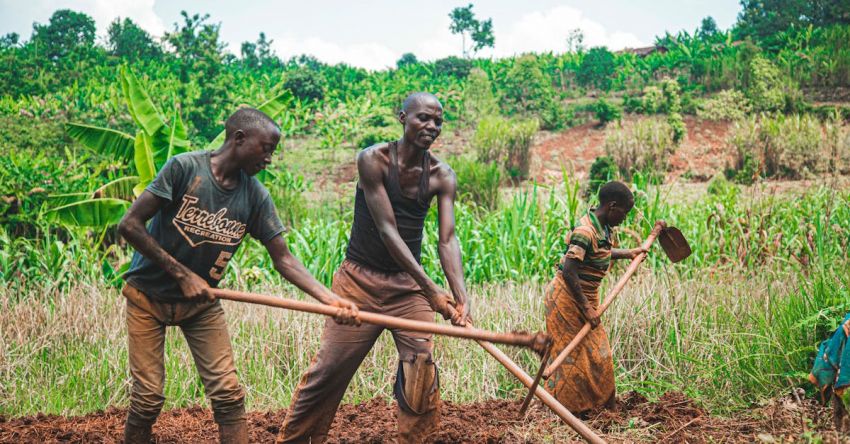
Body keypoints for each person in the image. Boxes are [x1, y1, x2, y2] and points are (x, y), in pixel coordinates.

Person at [117, 107, 359, 444]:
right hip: (147, 298)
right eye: (267, 148)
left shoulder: (255, 196)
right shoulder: (184, 168)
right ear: (240, 139)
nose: (269, 159)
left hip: (201, 305)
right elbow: (129, 225)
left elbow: (284, 259)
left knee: (228, 395)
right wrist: (182, 274)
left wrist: (330, 299)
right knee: (148, 398)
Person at [277, 92, 470, 444]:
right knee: (329, 370)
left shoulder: (443, 175)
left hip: (407, 289)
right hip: (358, 284)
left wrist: (460, 297)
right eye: (423, 118)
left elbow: (448, 239)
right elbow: (387, 231)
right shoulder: (373, 160)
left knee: (420, 370)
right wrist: (432, 290)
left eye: (438, 121)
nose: (431, 126)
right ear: (403, 117)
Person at [543, 181, 646, 414]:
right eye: (624, 213)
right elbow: (569, 271)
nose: (624, 218)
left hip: (586, 297)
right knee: (569, 357)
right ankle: (565, 413)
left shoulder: (604, 227)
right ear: (612, 206)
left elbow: (601, 253)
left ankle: (601, 409)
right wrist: (586, 308)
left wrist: (630, 253)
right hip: (566, 300)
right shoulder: (585, 231)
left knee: (600, 355)